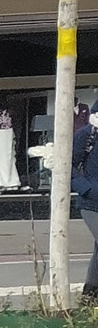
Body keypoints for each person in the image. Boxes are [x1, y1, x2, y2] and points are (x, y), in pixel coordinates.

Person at [74, 111, 96, 303]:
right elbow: (68, 164)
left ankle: (90, 297)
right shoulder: (86, 134)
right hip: (92, 203)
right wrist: (85, 189)